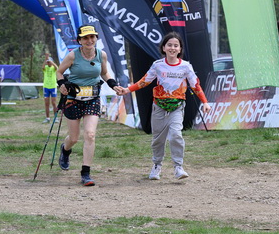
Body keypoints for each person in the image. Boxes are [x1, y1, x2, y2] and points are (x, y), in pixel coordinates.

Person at [117, 32, 211, 181]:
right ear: (163, 48)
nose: (172, 48)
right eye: (169, 45)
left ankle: (178, 167)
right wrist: (127, 90)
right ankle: (157, 165)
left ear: (180, 49)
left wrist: (205, 102)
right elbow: (145, 81)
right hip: (159, 106)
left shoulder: (186, 66)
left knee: (176, 135)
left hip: (177, 107)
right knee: (158, 140)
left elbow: (195, 85)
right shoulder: (158, 65)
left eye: (176, 45)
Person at [56, 25, 123, 186]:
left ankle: (85, 173)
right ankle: (65, 149)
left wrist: (114, 85)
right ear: (79, 40)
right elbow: (59, 72)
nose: (89, 40)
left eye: (92, 37)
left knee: (90, 134)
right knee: (74, 138)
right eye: (85, 38)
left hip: (92, 99)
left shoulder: (101, 55)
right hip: (73, 99)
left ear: (96, 38)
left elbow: (104, 73)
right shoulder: (73, 56)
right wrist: (62, 84)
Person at [42, 54, 59, 123]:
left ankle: (56, 117)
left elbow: (57, 67)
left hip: (53, 87)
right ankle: (47, 118)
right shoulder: (46, 68)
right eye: (47, 62)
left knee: (54, 103)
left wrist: (51, 61)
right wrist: (46, 59)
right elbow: (43, 67)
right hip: (46, 87)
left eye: (49, 62)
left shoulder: (53, 68)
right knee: (46, 103)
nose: (48, 63)